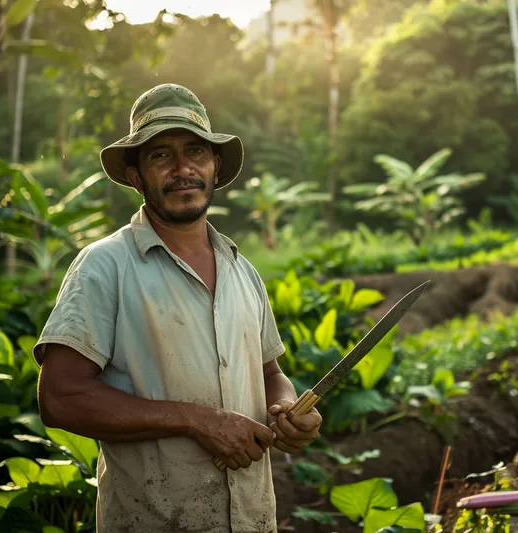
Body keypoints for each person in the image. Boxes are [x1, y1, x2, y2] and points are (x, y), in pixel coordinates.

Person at [34, 83, 323, 533]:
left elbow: (270, 374)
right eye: (160, 155)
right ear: (135, 176)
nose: (182, 168)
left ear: (215, 166)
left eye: (195, 152)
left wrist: (287, 409)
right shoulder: (105, 266)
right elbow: (59, 397)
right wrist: (197, 420)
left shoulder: (242, 271)